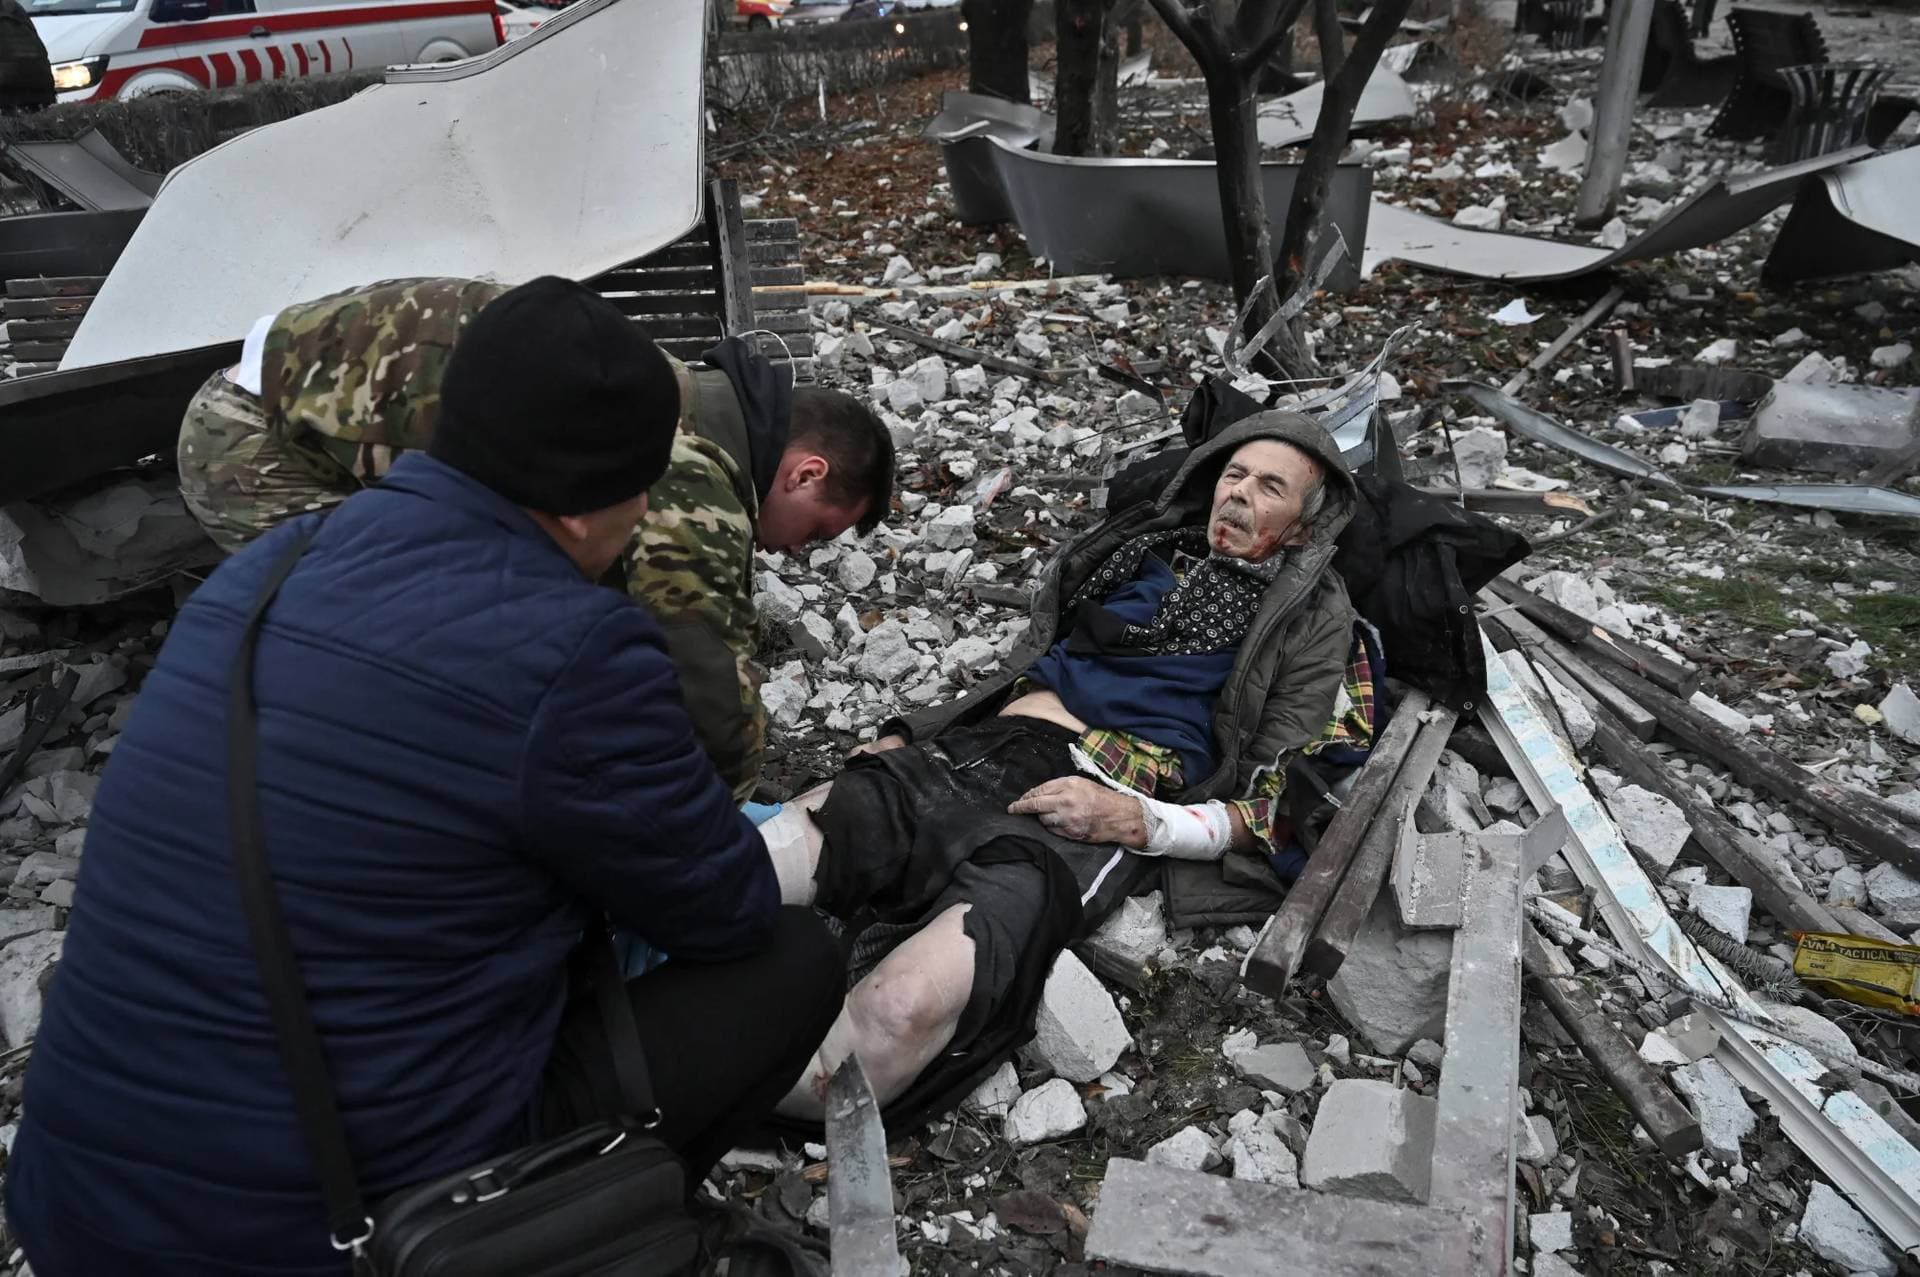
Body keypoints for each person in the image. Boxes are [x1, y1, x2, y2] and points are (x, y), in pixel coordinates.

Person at [5, 278, 846, 1276]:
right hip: (328, 1238)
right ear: (593, 507)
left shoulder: (258, 570)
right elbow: (727, 909)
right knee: (793, 960)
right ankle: (584, 1225)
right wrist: (836, 831)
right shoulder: (576, 649)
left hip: (75, 1211)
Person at [748, 412, 1378, 1126]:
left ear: (1302, 527)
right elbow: (1020, 666)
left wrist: (1144, 821)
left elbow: (1288, 798)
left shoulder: (1318, 622)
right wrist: (907, 733)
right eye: (1233, 474)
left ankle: (711, 1104)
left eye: (1270, 487)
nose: (1238, 495)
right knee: (761, 860)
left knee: (899, 1009)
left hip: (1089, 804)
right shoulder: (1140, 553)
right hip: (986, 747)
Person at [175, 275, 895, 798]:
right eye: (819, 533)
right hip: (256, 440)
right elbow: (703, 674)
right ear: (804, 473)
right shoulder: (694, 466)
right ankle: (298, 789)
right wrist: (725, 817)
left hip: (290, 396)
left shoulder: (677, 397)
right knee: (389, 659)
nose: (795, 553)